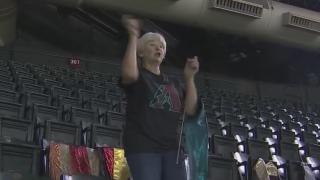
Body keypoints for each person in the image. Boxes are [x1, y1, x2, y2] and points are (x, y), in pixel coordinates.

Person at [120, 15, 199, 180]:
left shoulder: (175, 82)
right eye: (152, 44)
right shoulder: (139, 77)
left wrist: (190, 78)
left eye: (162, 47)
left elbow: (190, 109)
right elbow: (128, 74)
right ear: (140, 52)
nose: (159, 48)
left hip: (172, 149)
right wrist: (134, 35)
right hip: (143, 146)